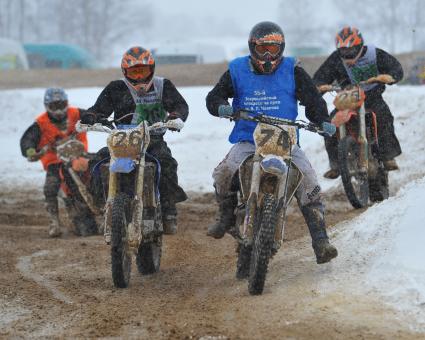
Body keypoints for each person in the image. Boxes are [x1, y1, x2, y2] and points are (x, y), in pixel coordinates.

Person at [205, 21, 338, 264]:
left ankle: (321, 240)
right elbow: (214, 95)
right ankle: (225, 216)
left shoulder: (292, 69)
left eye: (274, 49)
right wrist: (220, 106)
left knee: (308, 179)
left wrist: (322, 120)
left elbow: (313, 99)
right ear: (252, 47)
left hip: (285, 140)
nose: (268, 55)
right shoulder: (237, 69)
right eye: (263, 48)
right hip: (248, 138)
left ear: (282, 49)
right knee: (224, 172)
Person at [81, 46, 188, 235]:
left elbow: (180, 105)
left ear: (152, 69)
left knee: (167, 163)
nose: (139, 78)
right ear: (125, 72)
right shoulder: (116, 87)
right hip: (122, 140)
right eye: (134, 72)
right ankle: (100, 200)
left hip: (152, 139)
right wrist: (91, 115)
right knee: (97, 162)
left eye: (143, 71)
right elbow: (100, 108)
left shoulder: (163, 85)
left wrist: (176, 116)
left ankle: (168, 209)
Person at [313, 26, 403, 179]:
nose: (347, 54)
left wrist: (390, 76)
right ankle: (336, 164)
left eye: (351, 50)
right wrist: (319, 86)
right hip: (347, 100)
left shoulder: (374, 54)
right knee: (329, 125)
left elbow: (396, 68)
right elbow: (320, 76)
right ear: (338, 50)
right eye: (343, 51)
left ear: (360, 45)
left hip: (372, 98)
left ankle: (388, 156)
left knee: (384, 117)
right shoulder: (336, 59)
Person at [20, 88, 92, 237]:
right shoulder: (40, 123)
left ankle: (104, 209)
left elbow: (95, 116)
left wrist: (98, 119)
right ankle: (54, 222)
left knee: (97, 177)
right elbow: (27, 140)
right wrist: (30, 150)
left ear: (67, 103)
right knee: (50, 187)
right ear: (47, 106)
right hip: (55, 162)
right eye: (54, 106)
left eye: (61, 105)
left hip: (79, 157)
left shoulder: (77, 114)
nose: (59, 110)